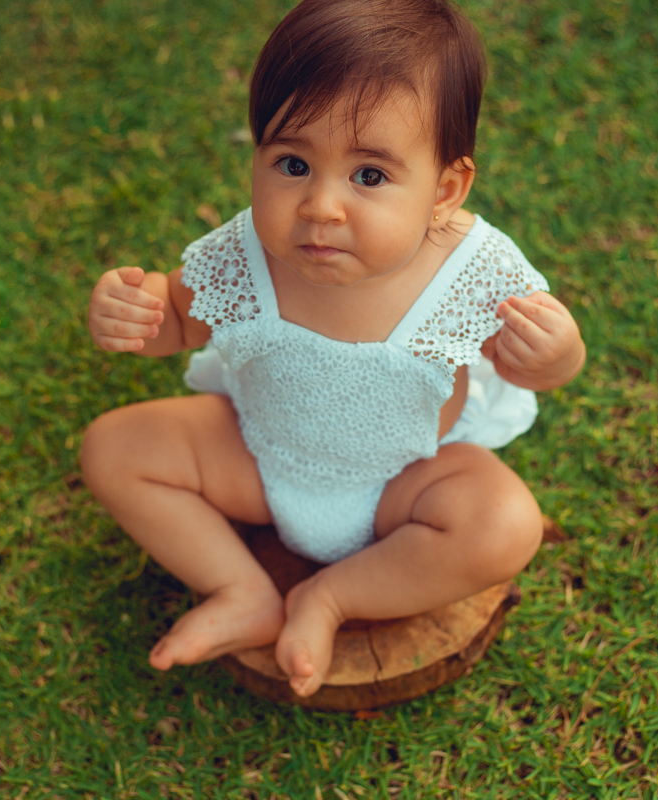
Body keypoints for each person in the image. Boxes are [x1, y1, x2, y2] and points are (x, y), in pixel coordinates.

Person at [81, 0, 586, 698]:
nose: (320, 206)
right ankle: (240, 590)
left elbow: (528, 361)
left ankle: (334, 597)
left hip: (405, 481)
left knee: (503, 524)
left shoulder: (471, 271)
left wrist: (554, 354)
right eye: (292, 163)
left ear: (445, 190)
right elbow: (179, 319)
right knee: (116, 447)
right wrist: (135, 313)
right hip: (258, 454)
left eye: (369, 176)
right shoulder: (248, 254)